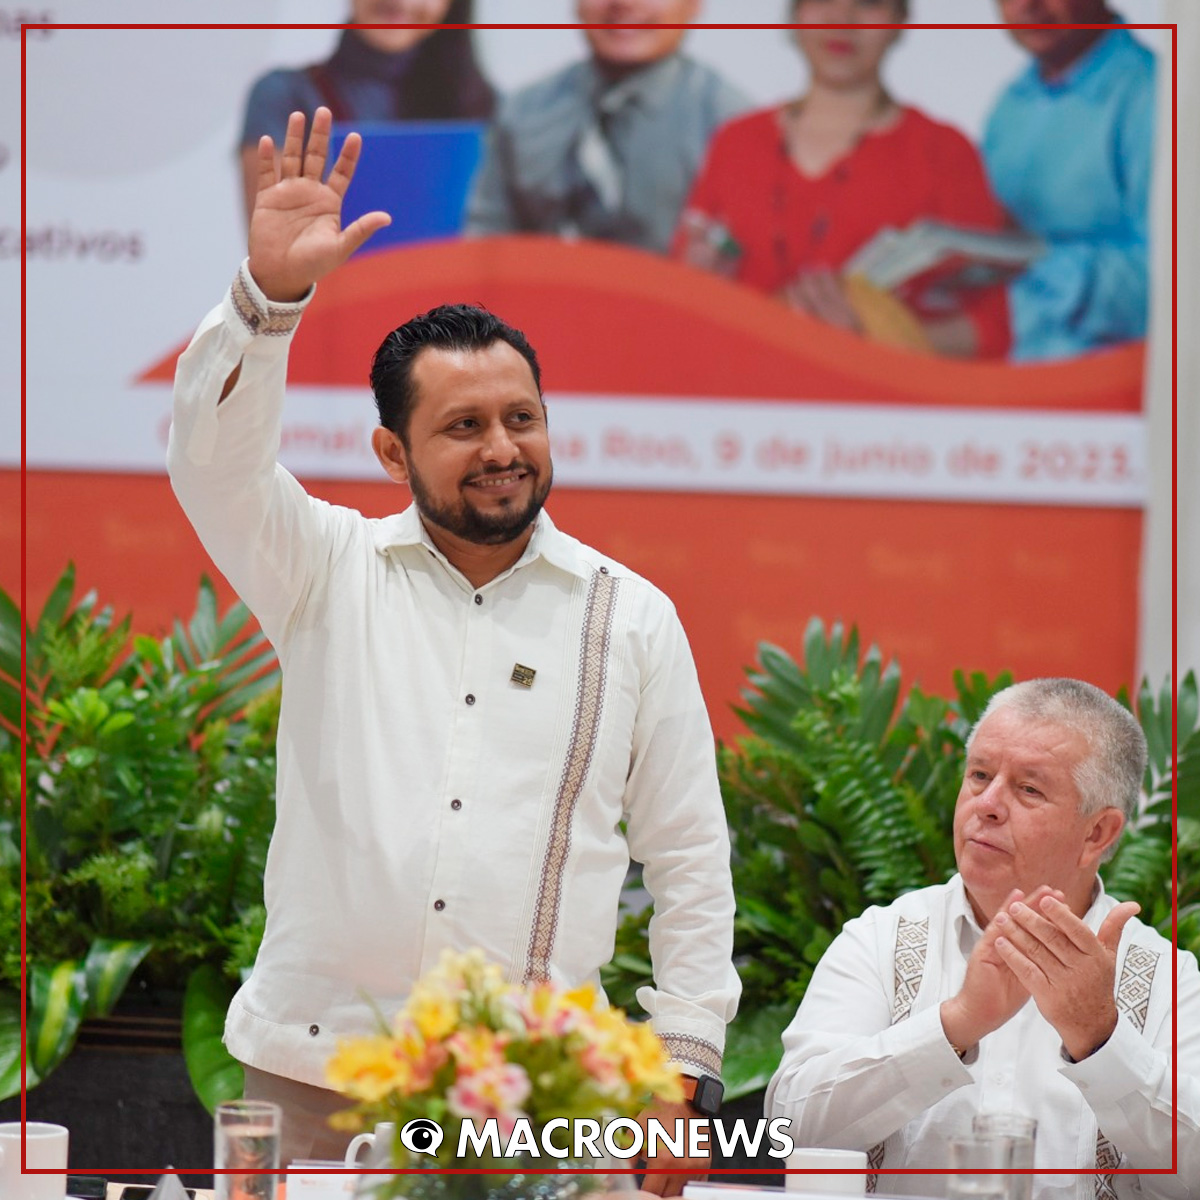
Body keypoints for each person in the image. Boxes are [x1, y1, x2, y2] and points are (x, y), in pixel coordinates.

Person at [168, 107, 739, 1194]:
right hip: (311, 1079)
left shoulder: (630, 615)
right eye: (463, 427)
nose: (502, 450)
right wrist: (269, 301)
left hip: (533, 1095)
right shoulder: (323, 568)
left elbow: (690, 863)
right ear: (393, 450)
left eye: (521, 418)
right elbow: (212, 465)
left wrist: (686, 1064)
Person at [766, 678, 1200, 1197]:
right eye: (979, 775)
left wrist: (1101, 1040)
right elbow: (790, 1131)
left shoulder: (1165, 976)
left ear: (1097, 834)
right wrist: (955, 1025)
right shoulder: (881, 939)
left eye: (1029, 789)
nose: (987, 804)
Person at [673, 0, 1010, 358]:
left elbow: (988, 330)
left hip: (878, 402)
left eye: (868, 4)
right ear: (794, 14)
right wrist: (696, 286)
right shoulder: (735, 142)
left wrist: (874, 336)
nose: (841, 20)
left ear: (901, 20)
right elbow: (681, 301)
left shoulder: (943, 152)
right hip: (746, 398)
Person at [464, 0, 750, 254]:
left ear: (694, 4)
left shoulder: (735, 127)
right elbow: (484, 248)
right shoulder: (522, 113)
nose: (624, 3)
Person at [982, 1, 1156, 361]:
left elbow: (1177, 288)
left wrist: (1033, 266)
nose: (1028, 6)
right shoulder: (1011, 104)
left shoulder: (1153, 96)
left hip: (1104, 395)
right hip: (1005, 380)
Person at [238, 0, 494, 220]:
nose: (401, 2)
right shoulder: (285, 95)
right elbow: (273, 258)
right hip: (326, 278)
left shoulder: (489, 107)